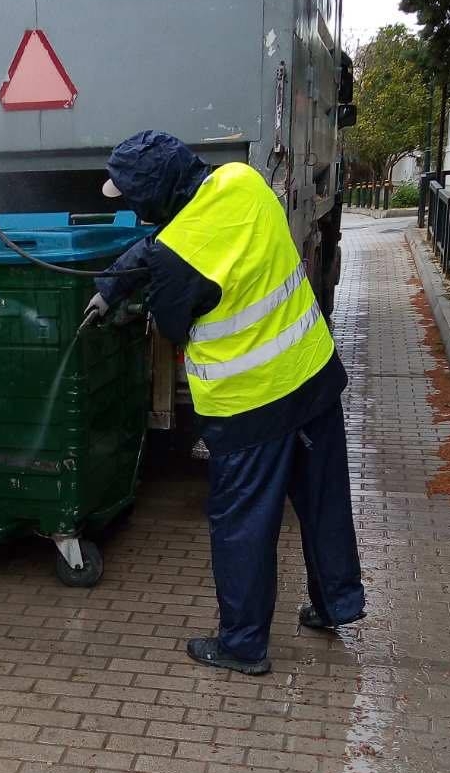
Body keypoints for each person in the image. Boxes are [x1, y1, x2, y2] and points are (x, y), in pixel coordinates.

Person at [90, 131, 364, 675]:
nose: (136, 210)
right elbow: (168, 241)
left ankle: (242, 645)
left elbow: (172, 320)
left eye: (135, 198)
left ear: (155, 195)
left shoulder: (176, 255)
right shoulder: (243, 181)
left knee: (244, 525)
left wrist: (129, 303)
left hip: (249, 407)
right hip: (311, 377)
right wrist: (111, 284)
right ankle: (337, 603)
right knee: (322, 502)